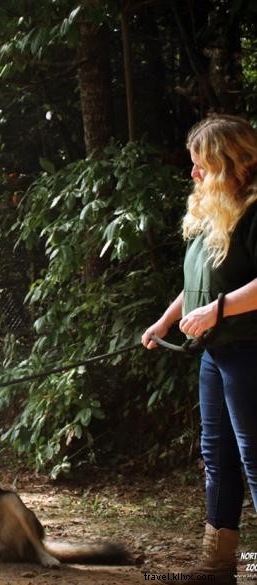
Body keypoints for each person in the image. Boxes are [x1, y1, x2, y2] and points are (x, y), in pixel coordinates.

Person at [141, 114, 257, 583]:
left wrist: (217, 311)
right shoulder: (216, 211)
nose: (193, 174)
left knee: (254, 456)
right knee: (217, 454)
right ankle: (218, 563)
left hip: (249, 350)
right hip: (215, 353)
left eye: (201, 165)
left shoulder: (254, 210)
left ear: (232, 163)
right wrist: (166, 320)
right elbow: (199, 286)